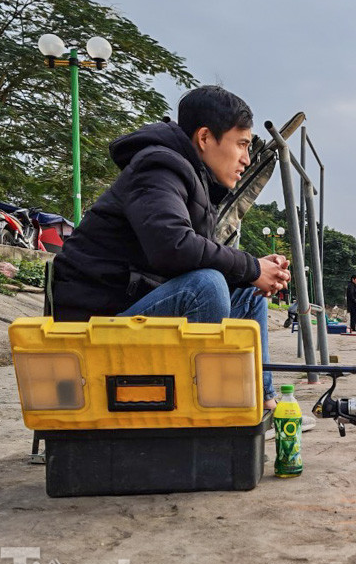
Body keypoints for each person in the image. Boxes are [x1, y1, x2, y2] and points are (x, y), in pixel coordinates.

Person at [51, 85, 290, 410]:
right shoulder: (158, 168)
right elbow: (173, 247)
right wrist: (252, 266)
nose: (247, 159)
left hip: (130, 310)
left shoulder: (191, 177)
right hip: (95, 327)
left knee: (249, 297)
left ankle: (263, 402)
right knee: (207, 286)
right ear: (205, 138)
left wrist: (254, 273)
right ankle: (206, 410)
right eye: (242, 144)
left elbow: (185, 254)